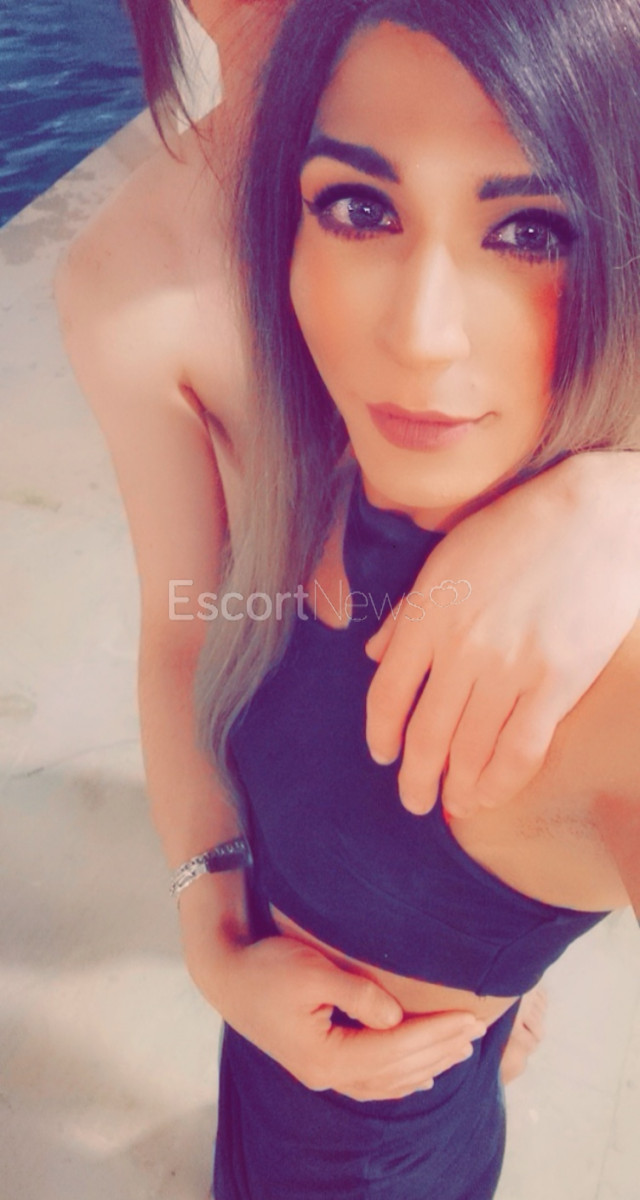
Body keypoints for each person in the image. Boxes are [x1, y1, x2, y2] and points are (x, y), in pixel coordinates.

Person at [55, 0, 640, 1128]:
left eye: (526, 232)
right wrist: (214, 928)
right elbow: (184, 626)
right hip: (325, 725)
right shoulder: (136, 280)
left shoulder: (550, 84)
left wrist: (615, 502)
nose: (421, 335)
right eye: (357, 212)